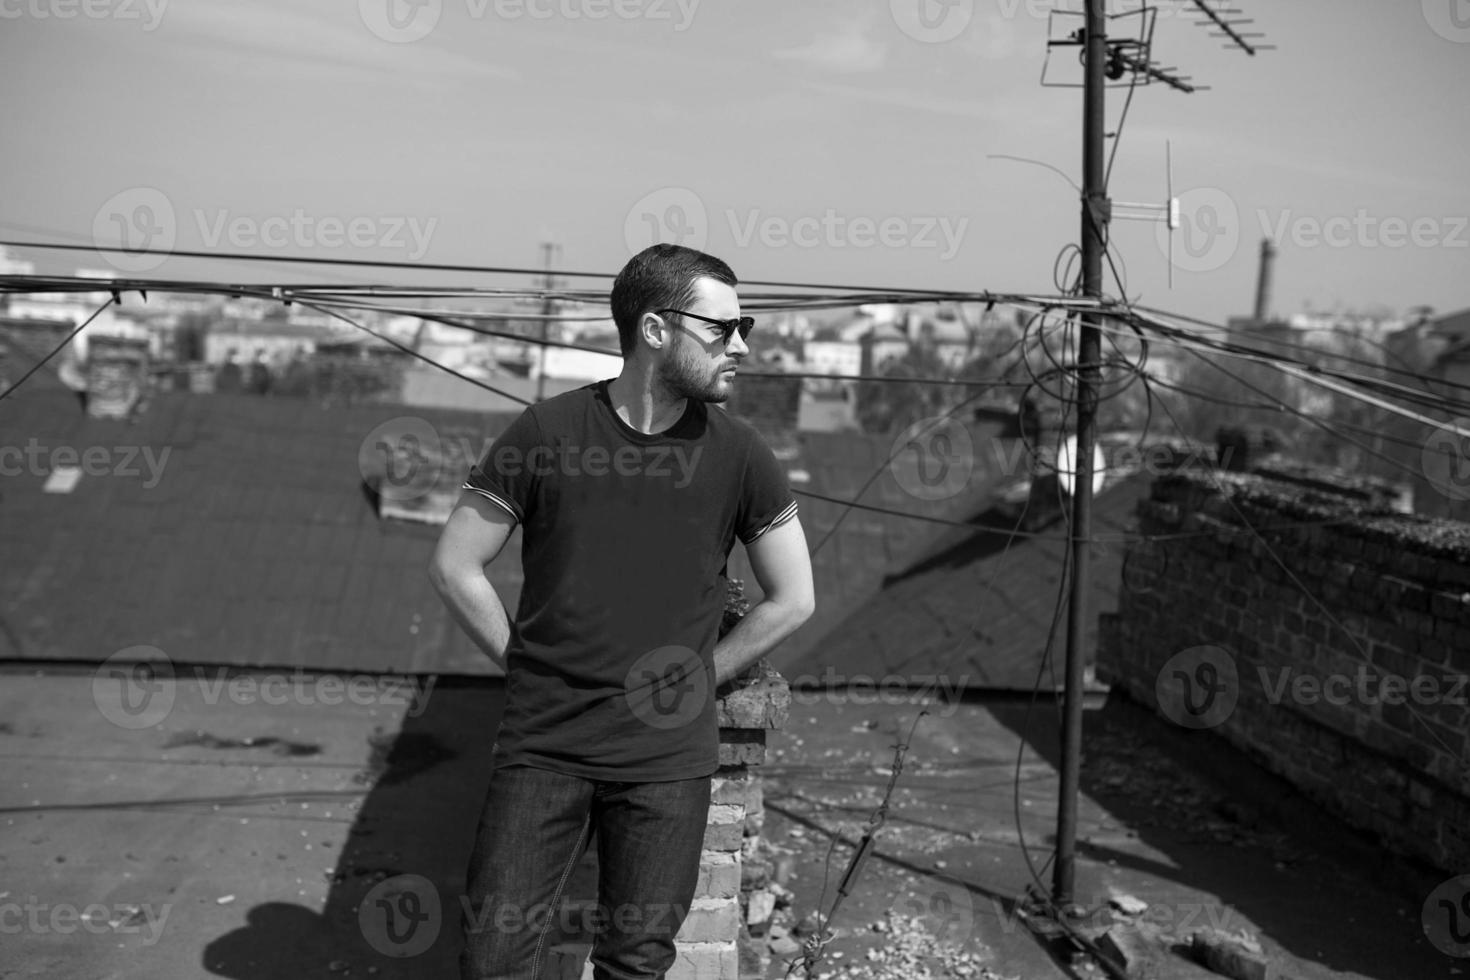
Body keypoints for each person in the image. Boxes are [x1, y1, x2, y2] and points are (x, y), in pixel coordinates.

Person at [429, 243, 815, 979]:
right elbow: (454, 565)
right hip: (543, 747)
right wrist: (524, 664)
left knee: (637, 962)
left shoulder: (740, 454)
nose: (740, 347)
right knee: (493, 957)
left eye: (745, 328)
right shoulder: (546, 433)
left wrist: (699, 679)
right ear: (656, 329)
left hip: (667, 761)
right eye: (723, 329)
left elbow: (795, 598)